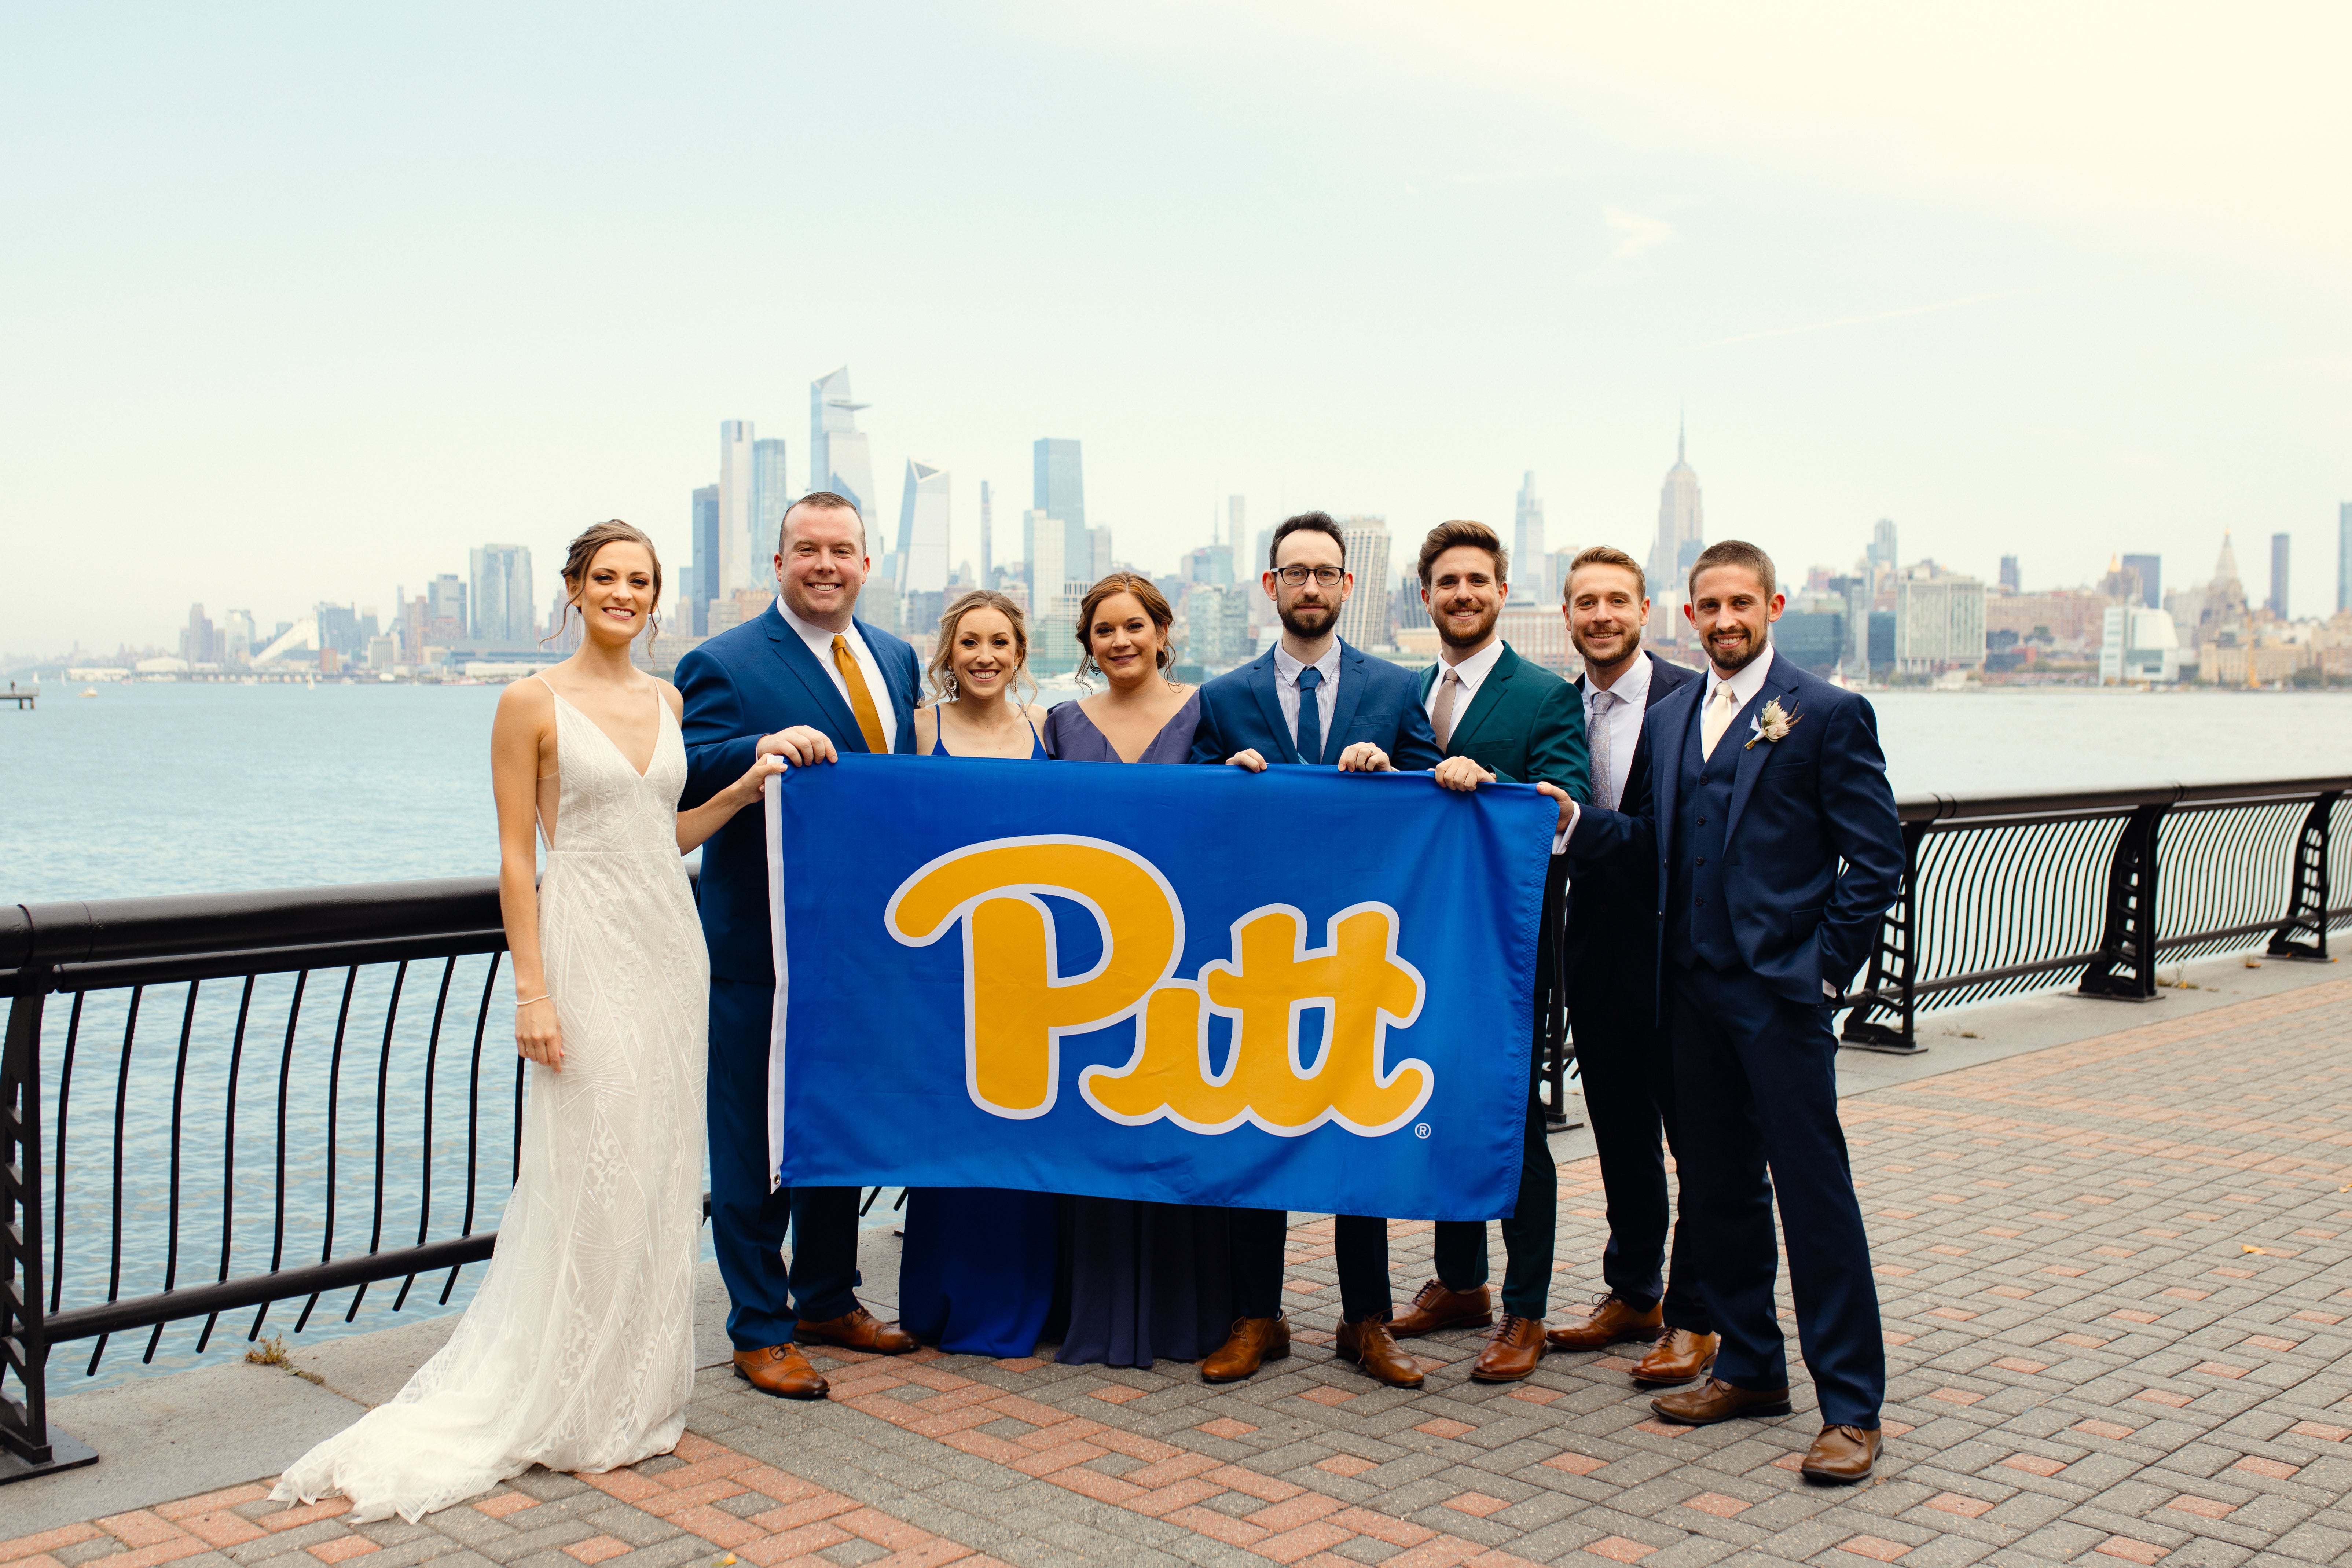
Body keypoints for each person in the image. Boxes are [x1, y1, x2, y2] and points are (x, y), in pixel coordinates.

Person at [273, 522, 784, 1522]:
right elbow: (520, 857)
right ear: (572, 588)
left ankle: (635, 1390)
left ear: (655, 595)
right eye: (607, 578)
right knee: (590, 1161)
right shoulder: (528, 701)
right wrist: (533, 992)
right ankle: (567, 1390)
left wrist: (740, 788)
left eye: (641, 580)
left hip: (671, 944)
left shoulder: (668, 697)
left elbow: (661, 830)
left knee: (661, 1165)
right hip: (586, 942)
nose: (624, 594)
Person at [1571, 539, 1904, 1482]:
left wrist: (1823, 973)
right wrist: (1569, 823)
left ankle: (1851, 1407)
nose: (1724, 621)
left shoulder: (1829, 714)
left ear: (1773, 606)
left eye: (1741, 605)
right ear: (1688, 614)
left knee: (1814, 1198)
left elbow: (1875, 862)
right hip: (1688, 994)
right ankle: (1752, 1367)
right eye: (1708, 606)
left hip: (1781, 1000)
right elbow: (1652, 843)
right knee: (1717, 1193)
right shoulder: (1674, 718)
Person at [1188, 511, 1445, 1389]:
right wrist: (1222, 786)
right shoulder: (1221, 699)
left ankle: (1365, 1323)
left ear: (1345, 586)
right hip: (1258, 949)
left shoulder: (1396, 689)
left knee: (1356, 1131)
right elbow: (1184, 817)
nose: (1308, 587)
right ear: (1269, 586)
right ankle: (1257, 1316)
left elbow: (1436, 803)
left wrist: (1398, 772)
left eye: (1324, 573)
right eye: (1292, 573)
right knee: (1256, 1125)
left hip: (1359, 950)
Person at [676, 491, 922, 1402]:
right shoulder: (725, 662)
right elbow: (686, 769)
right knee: (752, 1143)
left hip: (863, 953)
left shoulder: (895, 657)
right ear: (777, 563)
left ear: (868, 564)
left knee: (838, 1132)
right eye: (807, 549)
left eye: (843, 550)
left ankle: (827, 1297)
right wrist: (756, 746)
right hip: (762, 948)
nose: (826, 564)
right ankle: (760, 1326)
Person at [1377, 521, 1590, 1383]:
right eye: (1445, 583)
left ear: (1503, 592)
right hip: (1416, 951)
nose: (1462, 594)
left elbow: (1565, 801)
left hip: (1506, 949)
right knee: (1432, 1110)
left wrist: (1499, 789)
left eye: (1478, 581)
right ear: (1425, 597)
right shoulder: (1401, 692)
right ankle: (1459, 1282)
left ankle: (1525, 1309)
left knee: (1512, 1126)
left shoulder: (1543, 694)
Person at [1039, 573, 1233, 1368]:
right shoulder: (1058, 723)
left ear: (1162, 632)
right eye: (1103, 631)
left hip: (1185, 954)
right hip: (1088, 959)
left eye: (1133, 627)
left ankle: (1185, 1314)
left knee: (1177, 1119)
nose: (1119, 642)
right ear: (1087, 645)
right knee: (1094, 1122)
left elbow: (1236, 814)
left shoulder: (1207, 711)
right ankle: (1095, 1308)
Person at [1546, 547, 1717, 1386]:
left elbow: (1672, 839)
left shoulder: (1694, 699)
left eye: (1617, 600)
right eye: (1585, 602)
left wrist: (1575, 823)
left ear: (1646, 611)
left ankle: (1697, 1317)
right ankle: (1633, 1291)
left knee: (1701, 1144)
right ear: (1567, 614)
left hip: (1680, 956)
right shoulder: (1556, 707)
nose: (1601, 615)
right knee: (1619, 1135)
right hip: (1595, 950)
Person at [897, 590, 1063, 1356]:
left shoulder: (1047, 731)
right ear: (948, 653)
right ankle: (939, 1302)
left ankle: (1025, 1302)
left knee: (1021, 1129)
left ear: (1021, 653)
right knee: (946, 1127)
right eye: (970, 642)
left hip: (1025, 961)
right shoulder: (917, 728)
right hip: (938, 965)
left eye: (1000, 641)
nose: (985, 655)